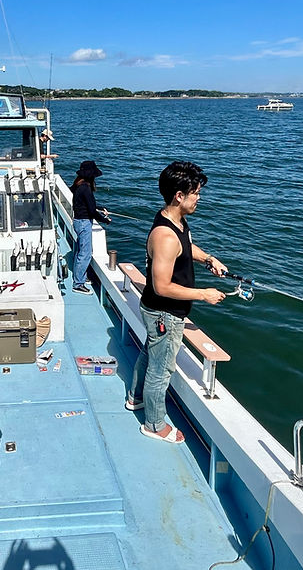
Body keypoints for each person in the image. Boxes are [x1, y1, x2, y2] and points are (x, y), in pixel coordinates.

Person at [126, 161, 228, 443]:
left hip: (159, 311)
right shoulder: (165, 236)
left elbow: (186, 246)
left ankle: (135, 397)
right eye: (196, 193)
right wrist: (203, 294)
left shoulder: (176, 221)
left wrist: (208, 259)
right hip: (165, 314)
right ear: (179, 196)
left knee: (150, 354)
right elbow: (162, 286)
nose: (199, 198)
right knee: (161, 370)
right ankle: (154, 425)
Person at [71, 160, 111, 294]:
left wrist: (100, 208)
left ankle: (80, 276)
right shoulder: (86, 188)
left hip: (77, 221)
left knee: (80, 251)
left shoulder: (78, 186)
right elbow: (92, 211)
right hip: (84, 223)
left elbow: (87, 205)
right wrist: (105, 220)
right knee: (85, 254)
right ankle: (78, 284)